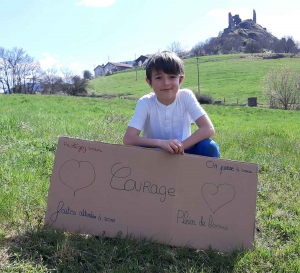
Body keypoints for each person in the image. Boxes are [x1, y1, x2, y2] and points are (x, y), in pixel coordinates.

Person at [123, 51, 220, 158]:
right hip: (154, 153)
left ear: (181, 79)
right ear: (149, 82)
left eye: (172, 77)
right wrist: (161, 143)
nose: (166, 83)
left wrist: (180, 146)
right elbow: (129, 138)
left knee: (209, 147)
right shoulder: (145, 102)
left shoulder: (186, 96)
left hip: (184, 152)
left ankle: (208, 175)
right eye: (159, 78)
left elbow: (208, 129)